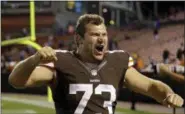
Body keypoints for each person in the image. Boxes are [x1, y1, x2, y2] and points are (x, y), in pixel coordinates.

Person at [9, 14, 184, 114]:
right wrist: (33, 59)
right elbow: (16, 81)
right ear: (79, 39)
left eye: (104, 34)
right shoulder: (61, 61)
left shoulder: (118, 61)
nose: (101, 38)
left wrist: (168, 94)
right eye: (94, 34)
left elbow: (151, 86)